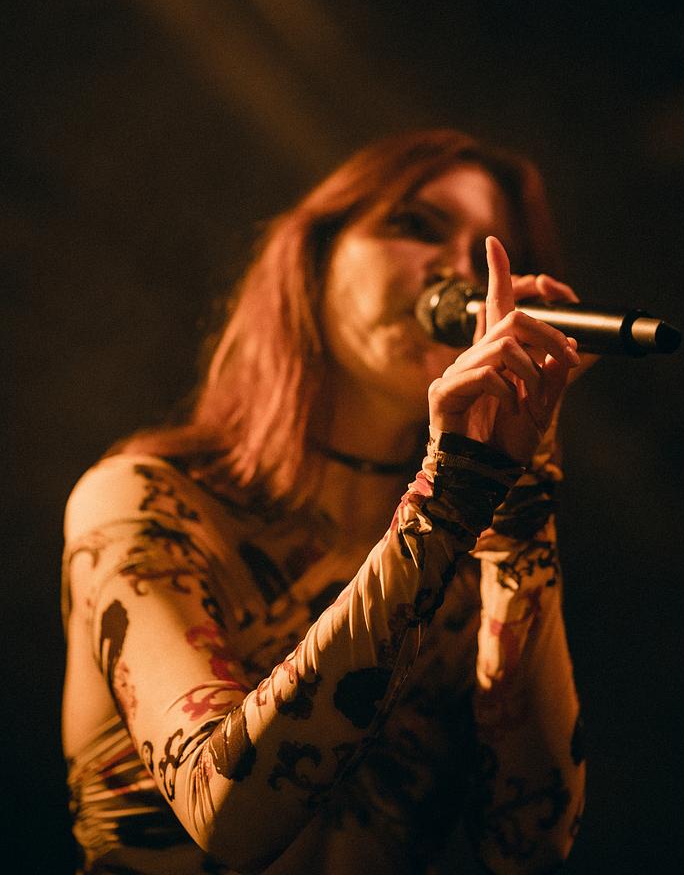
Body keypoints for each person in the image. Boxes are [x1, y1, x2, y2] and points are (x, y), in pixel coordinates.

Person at [62, 128, 586, 875]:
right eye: (417, 225)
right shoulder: (147, 500)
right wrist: (450, 496)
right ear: (314, 258)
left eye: (490, 258)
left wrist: (521, 510)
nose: (461, 274)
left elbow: (531, 850)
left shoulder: (478, 563)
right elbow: (226, 815)